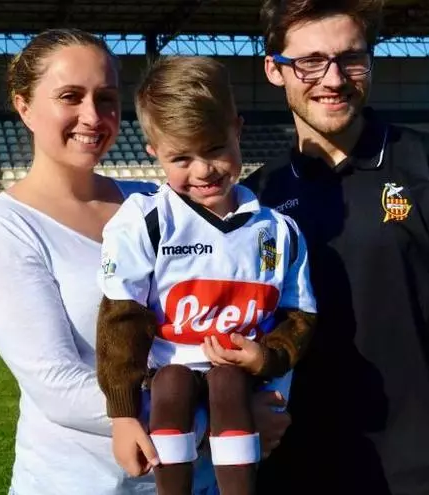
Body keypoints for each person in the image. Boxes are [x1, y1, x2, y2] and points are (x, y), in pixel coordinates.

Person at [0, 28, 291, 495]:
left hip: (199, 479)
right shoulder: (6, 230)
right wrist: (224, 416)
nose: (92, 116)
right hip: (82, 484)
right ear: (24, 106)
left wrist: (251, 392)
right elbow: (57, 385)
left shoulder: (156, 201)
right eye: (70, 97)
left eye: (106, 98)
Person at [242, 1, 429, 494]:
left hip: (423, 474)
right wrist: (245, 406)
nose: (333, 79)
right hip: (291, 474)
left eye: (351, 58)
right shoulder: (257, 198)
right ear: (274, 70)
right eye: (310, 61)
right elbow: (236, 332)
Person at [94, 56, 318, 495]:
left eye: (215, 148)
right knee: (174, 382)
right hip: (168, 390)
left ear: (237, 129)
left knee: (228, 381)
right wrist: (122, 414)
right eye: (181, 157)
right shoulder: (146, 220)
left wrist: (266, 358)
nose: (203, 170)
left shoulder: (278, 230)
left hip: (246, 393)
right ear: (154, 152)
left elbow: (299, 316)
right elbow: (121, 319)